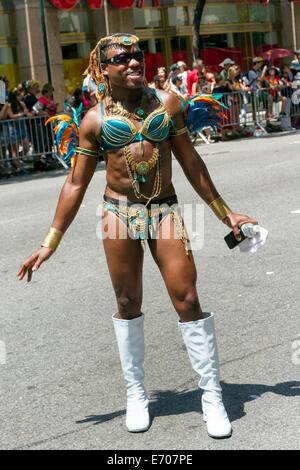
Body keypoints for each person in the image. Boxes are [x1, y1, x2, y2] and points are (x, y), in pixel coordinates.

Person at [18, 33, 258, 439]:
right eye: (122, 58)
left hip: (164, 209)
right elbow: (76, 184)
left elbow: (190, 161)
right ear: (103, 69)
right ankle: (136, 393)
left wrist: (225, 214)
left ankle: (211, 394)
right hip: (118, 215)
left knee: (188, 298)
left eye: (137, 56)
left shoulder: (168, 104)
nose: (133, 63)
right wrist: (49, 243)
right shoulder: (94, 120)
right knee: (127, 302)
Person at [24, 80, 48, 171]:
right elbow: (38, 112)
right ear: (32, 87)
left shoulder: (33, 97)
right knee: (38, 143)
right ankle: (37, 163)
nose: (38, 87)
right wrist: (46, 114)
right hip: (34, 124)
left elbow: (39, 110)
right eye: (37, 86)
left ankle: (38, 161)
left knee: (41, 142)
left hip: (37, 124)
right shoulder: (31, 98)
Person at [7, 88, 30, 173]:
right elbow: (11, 116)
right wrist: (21, 114)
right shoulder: (9, 105)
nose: (19, 96)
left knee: (26, 148)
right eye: (17, 95)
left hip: (22, 127)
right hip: (13, 128)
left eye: (19, 94)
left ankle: (15, 161)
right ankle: (19, 168)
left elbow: (26, 113)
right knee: (15, 150)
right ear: (13, 96)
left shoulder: (22, 103)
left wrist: (29, 114)